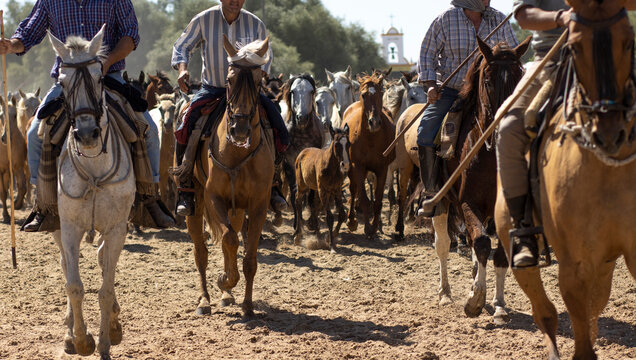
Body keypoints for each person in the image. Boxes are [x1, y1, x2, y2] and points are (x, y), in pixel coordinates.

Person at [0, 0, 175, 230]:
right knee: (34, 134)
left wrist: (106, 61)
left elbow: (130, 36)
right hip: (68, 81)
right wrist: (11, 45)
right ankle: (44, 205)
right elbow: (29, 33)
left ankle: (149, 198)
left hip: (107, 75)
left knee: (149, 129)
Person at [497, 0, 636, 267]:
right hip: (550, 58)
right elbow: (524, 15)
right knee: (509, 129)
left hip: (612, 51)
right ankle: (524, 231)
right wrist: (562, 17)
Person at [171, 0, 290, 216]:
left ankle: (273, 185)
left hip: (247, 92)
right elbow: (182, 46)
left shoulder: (256, 24)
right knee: (186, 123)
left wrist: (253, 77)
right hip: (213, 89)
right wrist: (182, 69)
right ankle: (185, 188)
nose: (235, 1)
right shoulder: (204, 19)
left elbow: (266, 57)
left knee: (277, 125)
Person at [416, 0, 518, 217]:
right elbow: (427, 54)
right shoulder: (446, 19)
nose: (487, 0)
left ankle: (526, 189)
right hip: (452, 91)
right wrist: (431, 84)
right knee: (426, 131)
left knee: (524, 126)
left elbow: (513, 53)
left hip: (492, 91)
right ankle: (433, 193)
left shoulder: (499, 19)